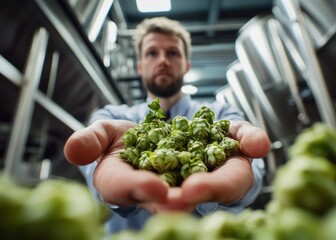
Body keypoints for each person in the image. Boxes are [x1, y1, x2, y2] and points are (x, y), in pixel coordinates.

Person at [63, 17, 271, 234]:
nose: (163, 60)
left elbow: (253, 170)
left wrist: (238, 188)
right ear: (141, 66)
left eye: (173, 53)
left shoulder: (221, 115)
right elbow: (94, 172)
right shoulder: (112, 116)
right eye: (152, 53)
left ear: (186, 65)